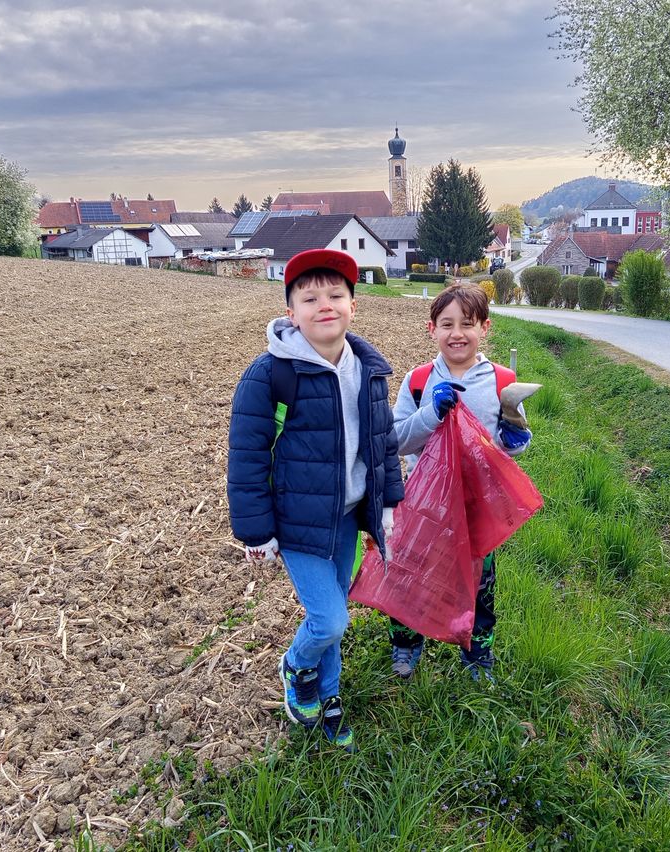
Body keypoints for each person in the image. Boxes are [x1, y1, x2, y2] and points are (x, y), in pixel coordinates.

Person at [227, 249, 404, 751]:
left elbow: (383, 442)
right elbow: (246, 456)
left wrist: (388, 503)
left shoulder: (368, 369)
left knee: (334, 615)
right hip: (297, 521)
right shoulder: (271, 375)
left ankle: (327, 695)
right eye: (309, 297)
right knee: (329, 618)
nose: (323, 305)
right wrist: (256, 532)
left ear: (354, 306)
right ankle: (295, 666)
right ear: (291, 312)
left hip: (347, 515)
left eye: (335, 295)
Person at [389, 283, 531, 681]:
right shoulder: (417, 381)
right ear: (431, 329)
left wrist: (517, 439)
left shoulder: (502, 381)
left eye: (467, 324)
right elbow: (398, 440)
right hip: (424, 503)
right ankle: (406, 644)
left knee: (479, 582)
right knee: (410, 574)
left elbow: (509, 441)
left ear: (484, 327)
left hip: (475, 505)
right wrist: (430, 412)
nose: (457, 333)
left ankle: (477, 651)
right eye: (447, 324)